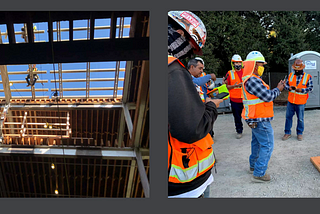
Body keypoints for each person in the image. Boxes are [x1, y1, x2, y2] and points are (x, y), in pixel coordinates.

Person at [168, 11, 223, 198]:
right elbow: (191, 128)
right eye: (190, 47)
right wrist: (211, 107)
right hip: (186, 182)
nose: (186, 52)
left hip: (187, 175)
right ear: (180, 34)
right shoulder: (173, 70)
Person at [241, 51, 285, 183]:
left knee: (257, 143)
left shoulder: (251, 79)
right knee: (267, 145)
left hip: (255, 117)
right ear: (253, 65)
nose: (262, 67)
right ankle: (259, 173)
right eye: (260, 64)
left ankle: (253, 165)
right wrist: (278, 89)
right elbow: (268, 96)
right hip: (259, 119)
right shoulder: (252, 80)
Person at [282, 59, 313, 141]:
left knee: (300, 118)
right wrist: (288, 87)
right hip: (291, 101)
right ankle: (287, 132)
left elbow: (310, 88)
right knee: (288, 117)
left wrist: (301, 90)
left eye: (298, 70)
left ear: (302, 68)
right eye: (295, 69)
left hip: (301, 102)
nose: (296, 71)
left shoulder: (307, 77)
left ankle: (299, 133)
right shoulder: (291, 75)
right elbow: (286, 85)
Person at [224, 54, 244, 139]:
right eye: (236, 62)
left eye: (239, 62)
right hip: (234, 99)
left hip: (245, 98)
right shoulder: (229, 73)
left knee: (249, 115)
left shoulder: (245, 71)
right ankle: (239, 131)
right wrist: (234, 86)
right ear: (233, 63)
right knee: (237, 117)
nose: (238, 64)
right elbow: (226, 86)